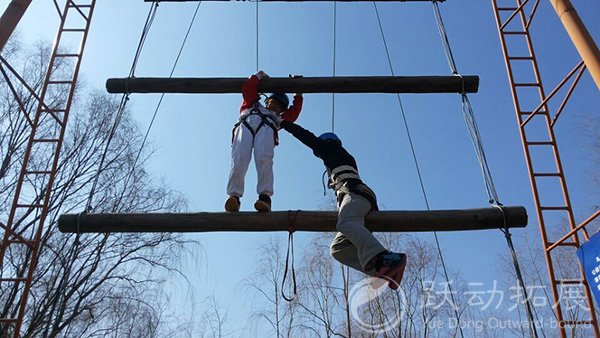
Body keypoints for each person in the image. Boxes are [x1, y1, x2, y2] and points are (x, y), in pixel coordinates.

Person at [277, 119, 407, 289]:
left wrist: (285, 124)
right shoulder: (340, 157)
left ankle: (388, 258)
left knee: (345, 222)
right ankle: (380, 269)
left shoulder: (331, 148)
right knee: (338, 249)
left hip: (356, 194)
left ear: (327, 142)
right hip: (357, 198)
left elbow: (307, 138)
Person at [225, 71, 303, 212]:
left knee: (264, 160)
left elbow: (294, 112)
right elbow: (248, 89)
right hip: (245, 126)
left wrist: (298, 93)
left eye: (279, 106)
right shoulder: (250, 104)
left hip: (266, 130)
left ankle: (265, 197)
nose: (275, 107)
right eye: (274, 102)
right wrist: (258, 76)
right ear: (267, 101)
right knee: (239, 159)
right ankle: (234, 197)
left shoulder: (277, 119)